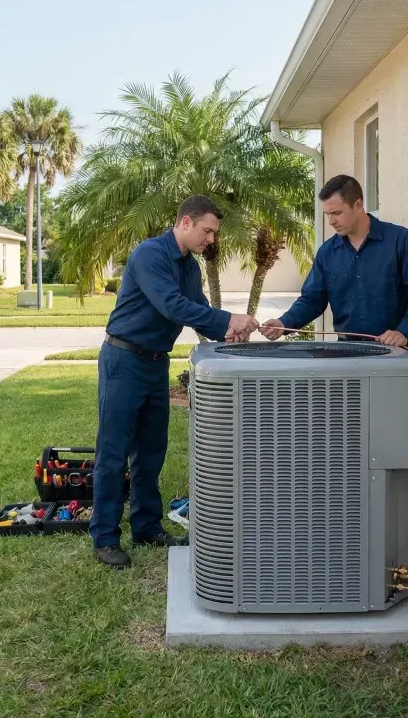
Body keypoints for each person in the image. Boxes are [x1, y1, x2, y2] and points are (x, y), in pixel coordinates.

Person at [260, 174, 408, 574]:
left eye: (337, 213)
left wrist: (404, 330)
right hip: (348, 369)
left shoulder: (400, 241)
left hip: (395, 365)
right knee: (349, 454)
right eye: (327, 215)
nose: (332, 222)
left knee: (407, 453)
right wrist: (284, 323)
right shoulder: (329, 253)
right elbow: (312, 299)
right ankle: (356, 539)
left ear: (359, 205)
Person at [91, 194, 259, 569]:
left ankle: (146, 526)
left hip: (154, 364)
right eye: (208, 231)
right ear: (186, 222)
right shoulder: (150, 255)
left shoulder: (190, 267)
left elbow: (196, 311)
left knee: (152, 449)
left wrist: (226, 333)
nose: (211, 239)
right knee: (114, 451)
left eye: (214, 233)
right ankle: (104, 537)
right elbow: (171, 306)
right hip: (123, 360)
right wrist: (229, 318)